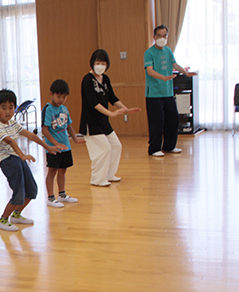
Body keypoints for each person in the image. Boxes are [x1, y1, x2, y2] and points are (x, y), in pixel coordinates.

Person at [0, 89, 66, 231]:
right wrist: (23, 155)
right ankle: (3, 219)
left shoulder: (12, 123)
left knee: (32, 190)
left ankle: (16, 215)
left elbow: (31, 136)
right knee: (18, 193)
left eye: (11, 107)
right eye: (3, 108)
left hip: (18, 159)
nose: (8, 111)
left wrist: (48, 147)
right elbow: (11, 142)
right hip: (8, 161)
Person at [79, 49, 140, 186]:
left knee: (116, 146)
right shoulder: (87, 80)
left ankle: (109, 174)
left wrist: (124, 109)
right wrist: (111, 113)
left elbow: (112, 97)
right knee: (103, 149)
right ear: (92, 63)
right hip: (91, 122)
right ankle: (97, 179)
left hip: (104, 122)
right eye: (98, 62)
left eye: (103, 63)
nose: (100, 65)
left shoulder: (105, 79)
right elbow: (93, 102)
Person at [144, 24, 198, 157]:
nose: (162, 38)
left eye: (164, 35)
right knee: (157, 122)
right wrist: (163, 77)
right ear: (154, 36)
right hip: (154, 94)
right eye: (159, 35)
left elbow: (175, 64)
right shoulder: (149, 53)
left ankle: (169, 146)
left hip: (167, 92)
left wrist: (185, 72)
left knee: (173, 119)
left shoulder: (168, 51)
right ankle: (154, 149)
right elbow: (150, 71)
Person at [41, 79, 85, 208]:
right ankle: (50, 197)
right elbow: (45, 130)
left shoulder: (64, 109)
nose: (61, 99)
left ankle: (62, 194)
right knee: (52, 171)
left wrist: (75, 139)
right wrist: (55, 144)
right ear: (51, 94)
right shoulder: (48, 109)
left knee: (63, 171)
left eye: (64, 97)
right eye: (58, 96)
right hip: (53, 148)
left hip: (65, 146)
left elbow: (69, 126)